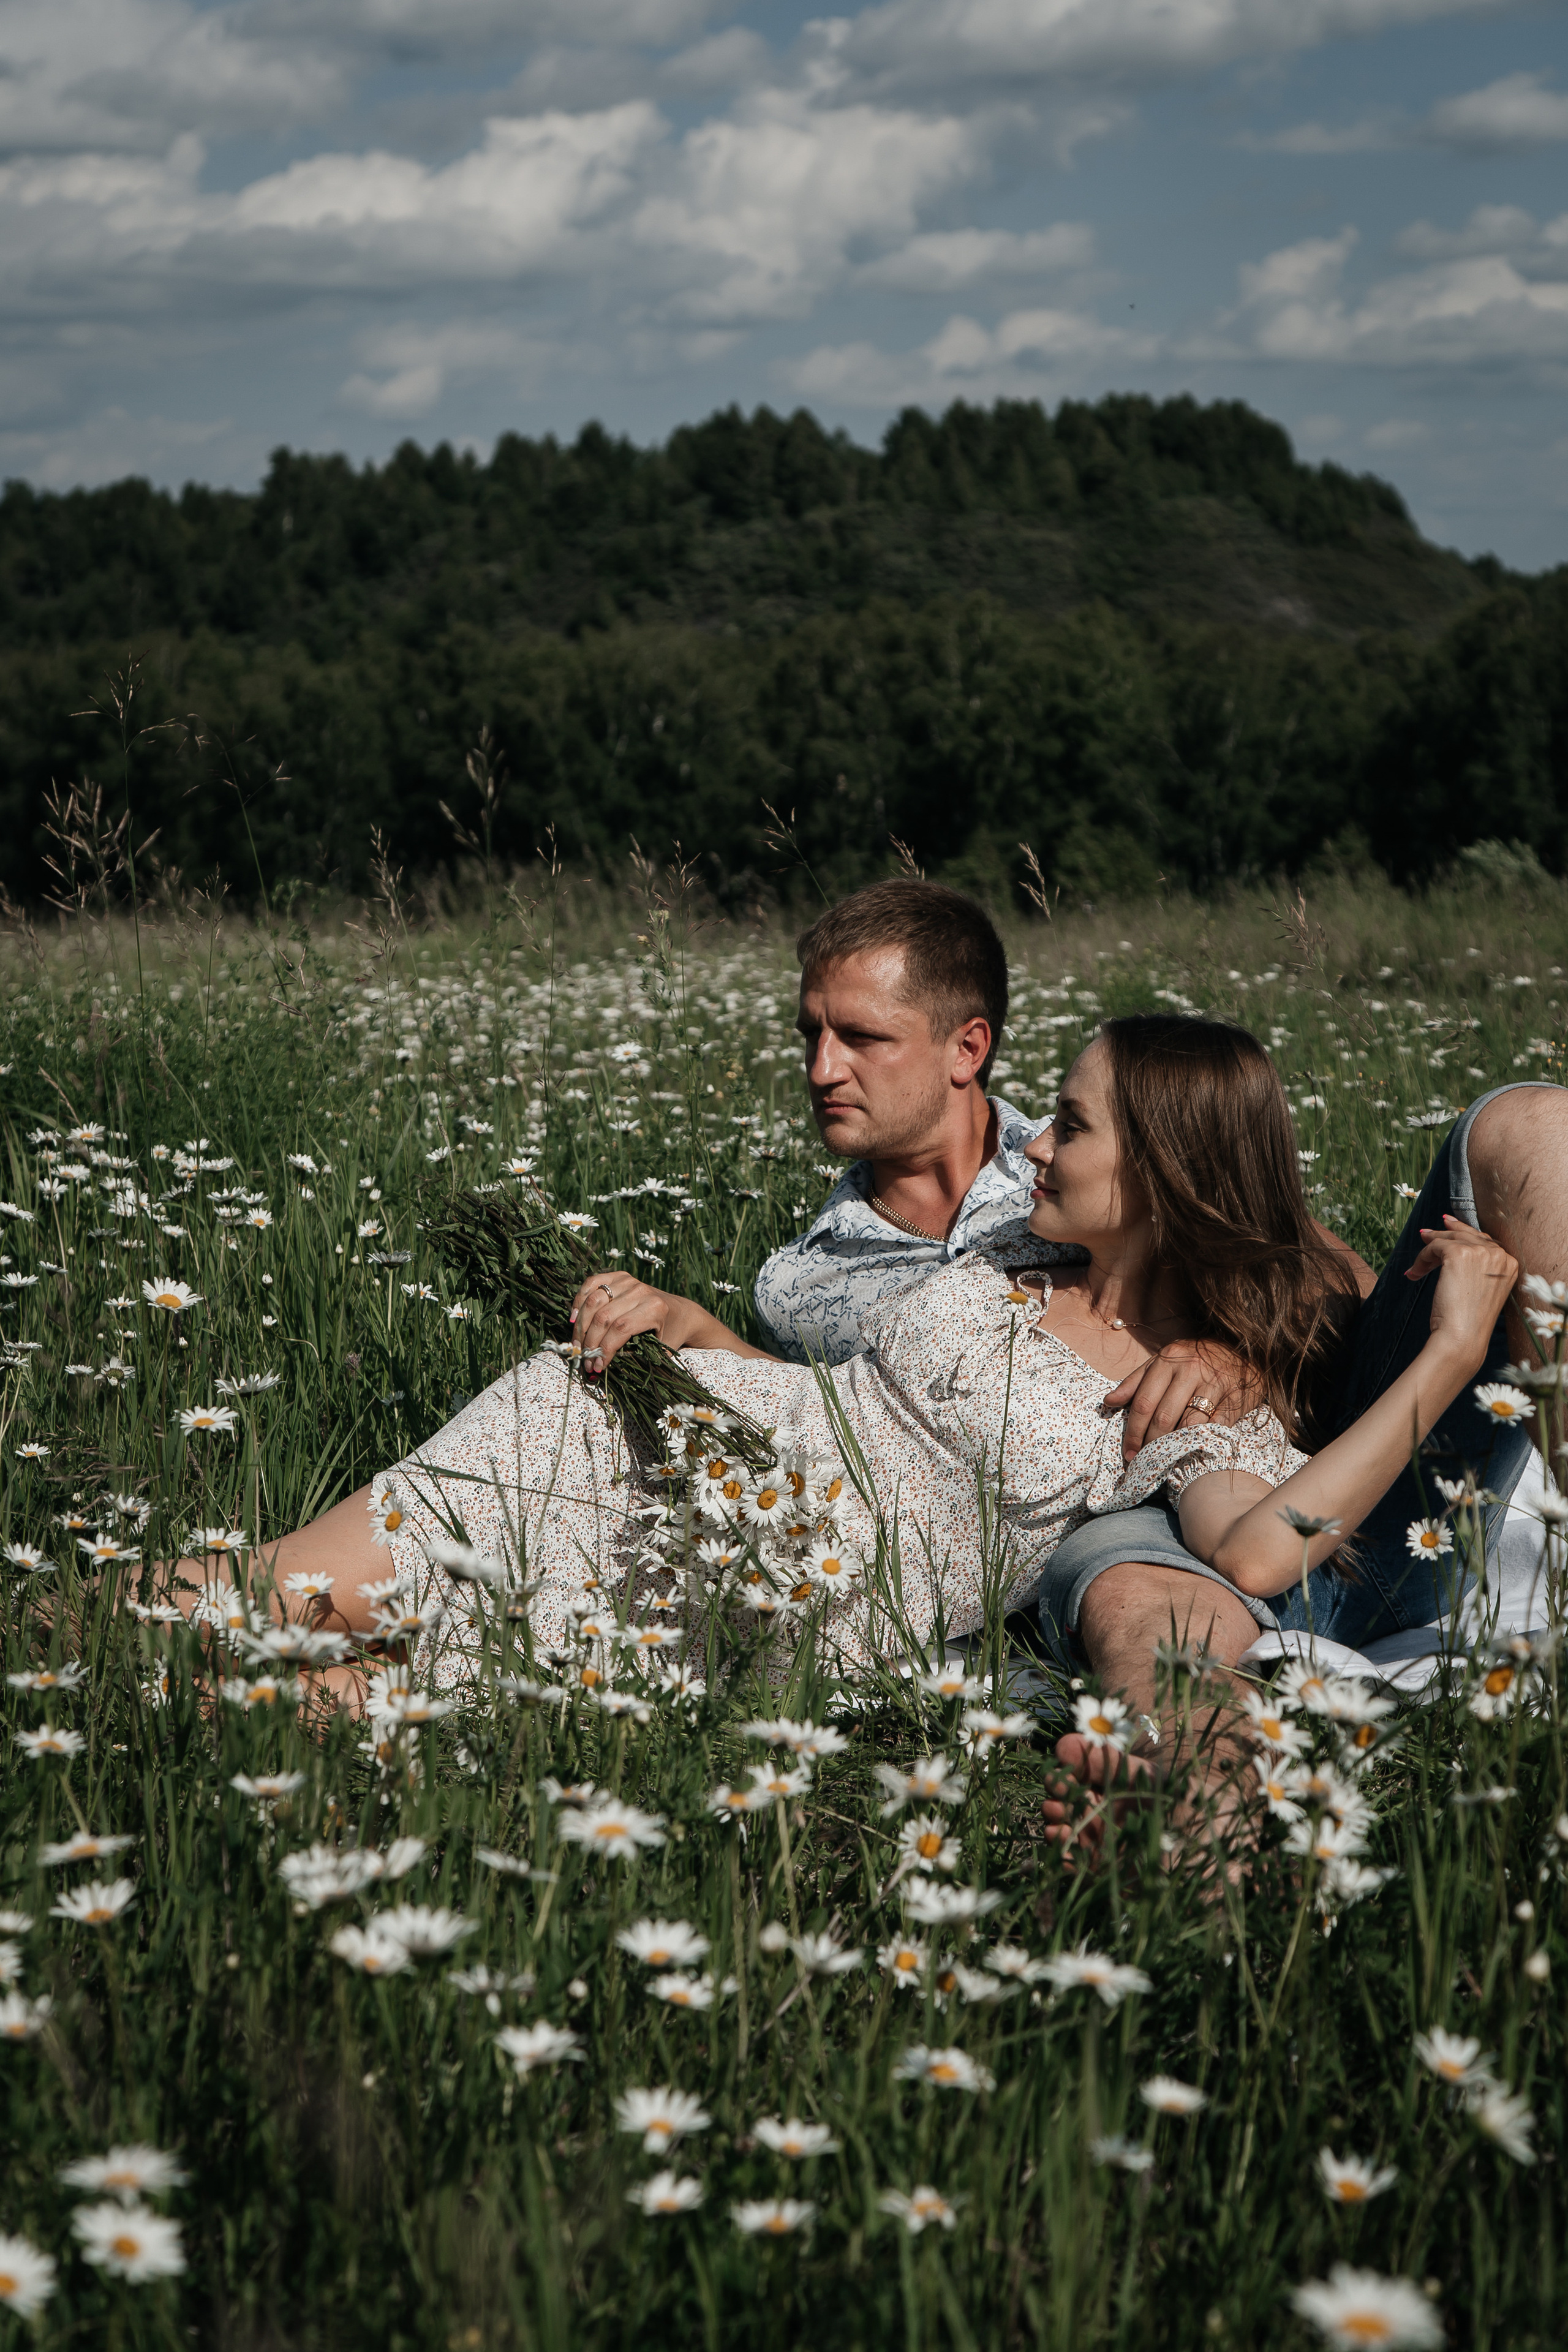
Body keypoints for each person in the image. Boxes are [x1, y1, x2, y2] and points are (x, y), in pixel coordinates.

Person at [178, 1017, 1529, 1752]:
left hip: (787, 1587)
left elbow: (1257, 1541)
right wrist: (691, 1326)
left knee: (313, 1693)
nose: (1032, 1137)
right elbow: (840, 1404)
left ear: (1166, 1179)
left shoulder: (1187, 1401)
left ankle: (95, 1654)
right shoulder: (1009, 1243)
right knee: (258, 1604)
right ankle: (74, 1621)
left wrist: (1449, 1357)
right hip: (652, 1447)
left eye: (1069, 1122)